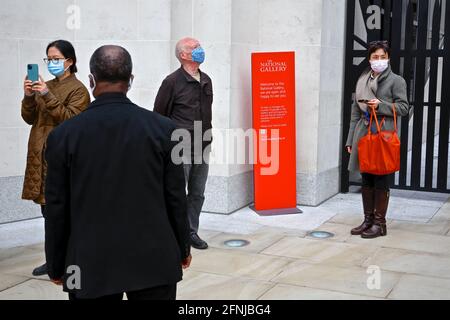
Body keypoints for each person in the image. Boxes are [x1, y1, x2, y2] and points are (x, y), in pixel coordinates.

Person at [43, 45, 192, 300]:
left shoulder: (63, 136)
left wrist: (57, 264)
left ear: (91, 81)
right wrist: (182, 248)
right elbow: (176, 196)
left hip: (88, 264)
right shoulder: (164, 129)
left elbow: (57, 208)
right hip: (154, 259)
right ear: (130, 80)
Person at [21, 40, 90, 276]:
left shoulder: (79, 90)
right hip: (40, 157)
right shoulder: (44, 86)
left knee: (62, 213)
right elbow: (29, 118)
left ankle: (68, 259)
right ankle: (53, 259)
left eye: (56, 59)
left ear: (69, 61)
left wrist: (48, 95)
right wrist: (29, 96)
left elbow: (72, 121)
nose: (51, 63)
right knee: (47, 213)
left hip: (61, 158)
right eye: (48, 59)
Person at [346, 40, 410, 239]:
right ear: (369, 59)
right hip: (363, 133)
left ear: (388, 58)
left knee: (381, 177)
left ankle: (380, 224)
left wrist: (380, 105)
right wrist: (350, 140)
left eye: (383, 57)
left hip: (383, 134)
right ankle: (368, 220)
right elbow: (355, 112)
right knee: (366, 177)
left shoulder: (396, 80)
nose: (379, 60)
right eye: (375, 57)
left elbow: (404, 108)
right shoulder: (362, 80)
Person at [154, 37, 213, 250]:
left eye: (200, 46)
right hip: (180, 145)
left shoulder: (206, 79)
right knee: (177, 192)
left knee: (197, 192)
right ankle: (173, 233)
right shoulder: (171, 82)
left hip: (203, 143)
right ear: (183, 55)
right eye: (195, 47)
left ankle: (190, 232)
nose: (200, 50)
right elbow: (158, 115)